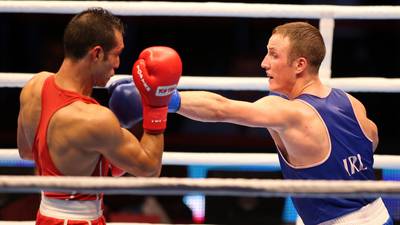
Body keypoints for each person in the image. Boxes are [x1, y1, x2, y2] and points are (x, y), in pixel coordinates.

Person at [108, 22, 392, 225]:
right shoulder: (352, 103)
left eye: (274, 54)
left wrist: (164, 98)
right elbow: (371, 140)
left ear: (300, 65)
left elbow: (221, 109)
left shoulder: (288, 111)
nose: (264, 63)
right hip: (378, 216)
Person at [17, 7, 182, 225]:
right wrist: (156, 107)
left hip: (45, 215)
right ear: (97, 53)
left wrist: (88, 153)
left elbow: (27, 152)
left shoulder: (34, 86)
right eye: (117, 54)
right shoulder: (95, 119)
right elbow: (149, 169)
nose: (118, 64)